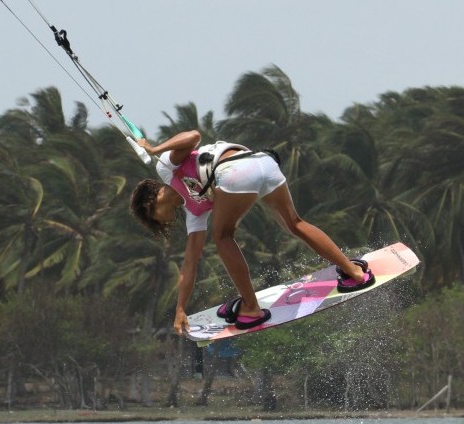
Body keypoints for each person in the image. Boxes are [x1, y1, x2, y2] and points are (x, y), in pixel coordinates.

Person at [130, 130, 375, 335]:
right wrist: (180, 308)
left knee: (223, 237)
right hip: (263, 164)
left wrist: (154, 149)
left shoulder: (166, 170)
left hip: (235, 169)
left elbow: (193, 136)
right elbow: (189, 264)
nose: (162, 223)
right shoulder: (195, 213)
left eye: (154, 219)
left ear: (150, 204)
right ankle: (353, 271)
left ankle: (250, 307)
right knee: (294, 223)